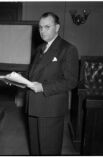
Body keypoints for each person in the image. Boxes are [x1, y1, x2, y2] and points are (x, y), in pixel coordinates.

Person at [26, 12, 79, 155]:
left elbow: (71, 81)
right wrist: (17, 80)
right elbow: (35, 75)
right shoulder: (40, 48)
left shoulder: (68, 49)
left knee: (49, 150)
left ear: (57, 27)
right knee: (35, 149)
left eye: (47, 27)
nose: (42, 31)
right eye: (40, 27)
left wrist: (43, 87)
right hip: (34, 106)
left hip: (50, 109)